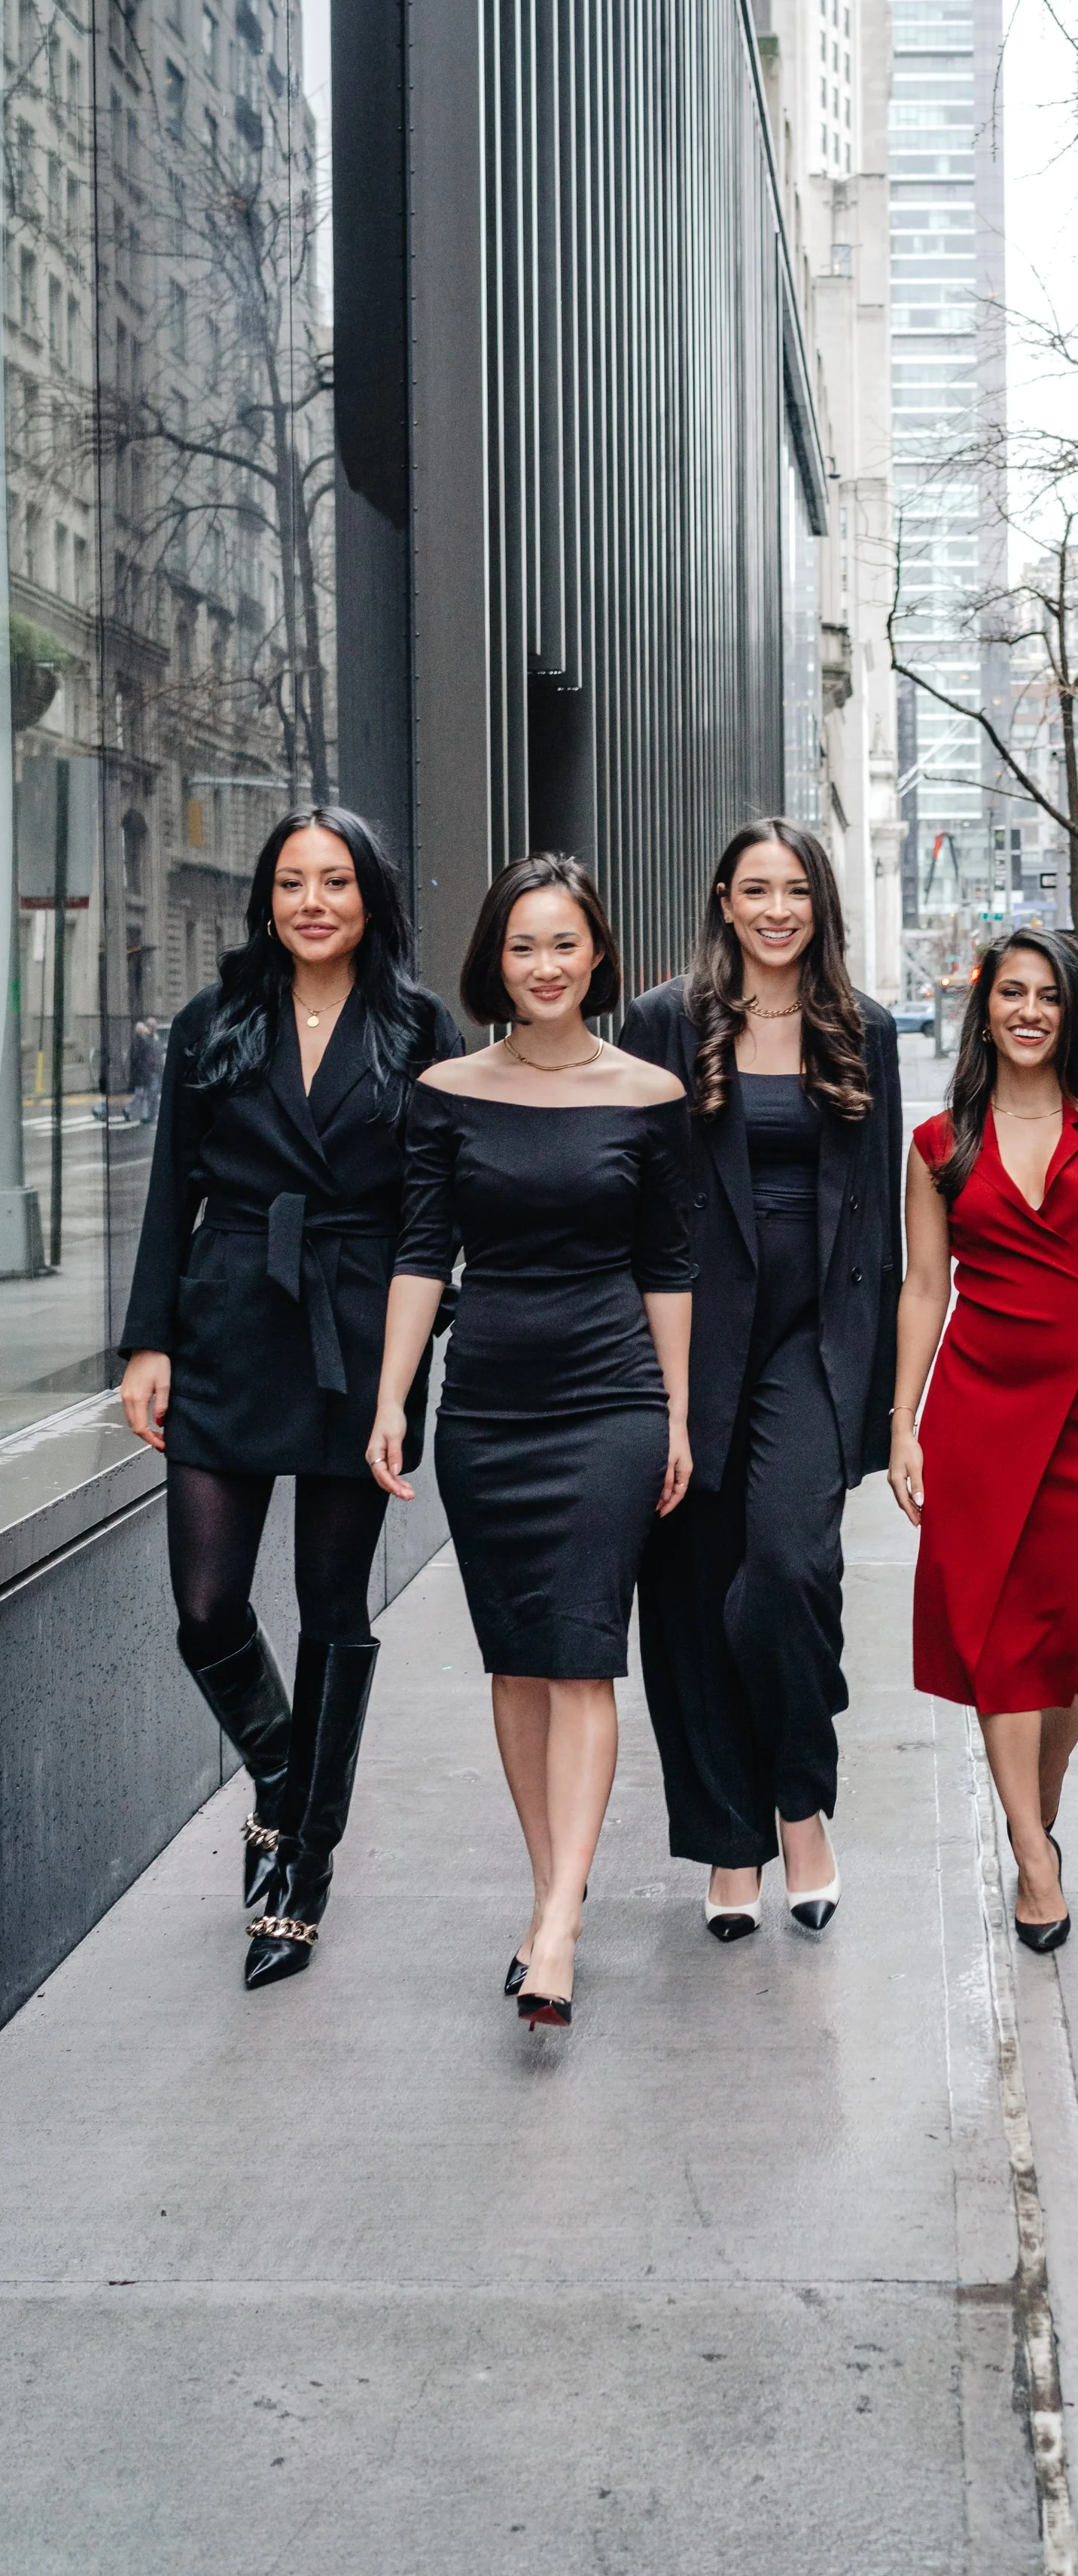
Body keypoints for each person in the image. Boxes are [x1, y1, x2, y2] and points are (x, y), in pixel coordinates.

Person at [118, 806, 461, 1989]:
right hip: (226, 1321)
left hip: (357, 1336)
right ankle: (282, 1772)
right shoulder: (217, 1021)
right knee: (206, 1605)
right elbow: (172, 1188)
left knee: (330, 1608)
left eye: (336, 881)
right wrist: (147, 1339)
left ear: (371, 896)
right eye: (291, 883)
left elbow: (434, 1216)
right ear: (266, 899)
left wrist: (404, 1377)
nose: (313, 901)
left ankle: (302, 1866)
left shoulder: (420, 1029)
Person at [369, 855, 692, 2030]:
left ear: (597, 955)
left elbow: (669, 1265)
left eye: (564, 945)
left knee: (582, 1653)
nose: (545, 966)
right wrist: (394, 1397)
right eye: (522, 947)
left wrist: (680, 1411)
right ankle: (552, 1884)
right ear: (493, 962)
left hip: (609, 1399)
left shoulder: (651, 1096)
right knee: (515, 1661)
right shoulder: (446, 1090)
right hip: (490, 1406)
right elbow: (419, 1253)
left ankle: (556, 1925)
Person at [623, 818, 900, 1941]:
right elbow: (635, 1193)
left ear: (818, 904)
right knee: (692, 1603)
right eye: (755, 889)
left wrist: (885, 1392)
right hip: (693, 1337)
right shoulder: (663, 1023)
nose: (777, 908)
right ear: (723, 903)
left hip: (812, 1342)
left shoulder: (863, 1030)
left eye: (795, 890)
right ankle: (730, 1839)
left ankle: (800, 1802)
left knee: (787, 1573)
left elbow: (880, 1212)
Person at [891, 928, 1078, 1955]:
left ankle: (1036, 1802)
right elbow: (924, 1289)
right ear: (985, 1007)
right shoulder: (937, 1143)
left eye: (1048, 995)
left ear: (1075, 1012)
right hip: (978, 1405)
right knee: (998, 1635)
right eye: (1010, 992)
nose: (1028, 1011)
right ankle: (1033, 1851)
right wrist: (903, 1423)